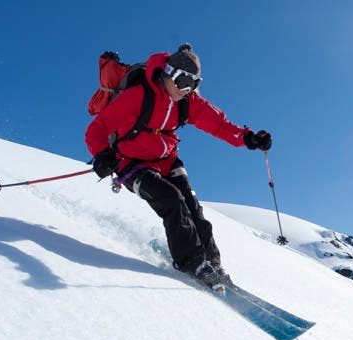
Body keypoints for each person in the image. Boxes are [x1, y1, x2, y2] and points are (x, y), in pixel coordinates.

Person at [85, 43, 272, 290]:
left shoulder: (187, 102)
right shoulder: (138, 97)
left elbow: (220, 125)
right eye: (183, 81)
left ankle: (213, 264)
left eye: (194, 84)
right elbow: (97, 130)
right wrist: (102, 155)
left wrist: (248, 138)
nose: (187, 89)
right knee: (171, 200)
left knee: (193, 208)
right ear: (168, 72)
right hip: (132, 163)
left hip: (167, 159)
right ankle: (191, 262)